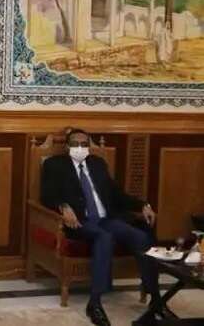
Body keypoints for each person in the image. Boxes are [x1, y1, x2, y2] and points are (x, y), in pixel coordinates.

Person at [40, 128, 173, 326]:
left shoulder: (97, 164)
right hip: (80, 222)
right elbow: (47, 195)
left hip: (106, 219)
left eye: (84, 144)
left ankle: (156, 300)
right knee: (104, 237)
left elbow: (116, 194)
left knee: (141, 237)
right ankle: (94, 303)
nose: (80, 147)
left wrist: (142, 205)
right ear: (67, 146)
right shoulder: (54, 164)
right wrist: (63, 206)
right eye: (75, 144)